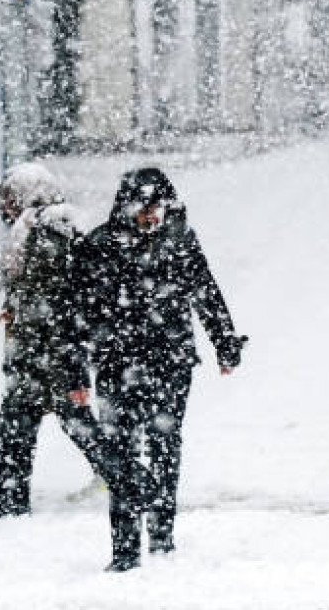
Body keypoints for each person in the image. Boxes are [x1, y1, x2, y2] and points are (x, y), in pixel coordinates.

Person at [79, 167, 247, 572]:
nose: (150, 215)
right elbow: (80, 309)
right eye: (143, 207)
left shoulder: (180, 240)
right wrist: (79, 356)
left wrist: (225, 343)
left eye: (157, 206)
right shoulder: (101, 244)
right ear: (126, 205)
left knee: (164, 444)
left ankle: (161, 535)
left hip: (171, 363)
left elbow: (205, 290)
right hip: (118, 366)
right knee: (118, 450)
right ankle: (123, 548)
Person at [0, 162, 155, 520]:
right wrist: (16, 308)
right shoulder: (39, 227)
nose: (4, 206)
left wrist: (60, 351)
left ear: (27, 193)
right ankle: (2, 490)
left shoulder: (46, 230)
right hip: (38, 348)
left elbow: (60, 297)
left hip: (48, 351)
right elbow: (39, 289)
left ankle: (134, 483)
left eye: (9, 197)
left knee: (70, 423)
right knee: (19, 418)